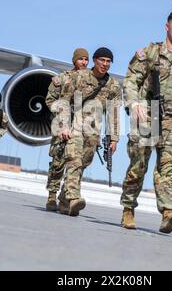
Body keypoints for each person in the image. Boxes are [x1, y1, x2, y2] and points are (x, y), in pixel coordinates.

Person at [120, 10, 172, 233]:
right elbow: (130, 80)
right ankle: (128, 208)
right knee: (139, 166)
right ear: (166, 27)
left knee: (167, 167)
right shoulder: (150, 52)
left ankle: (167, 213)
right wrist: (134, 103)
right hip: (148, 115)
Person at [57, 47, 121, 216]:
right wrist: (63, 125)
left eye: (108, 61)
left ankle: (64, 201)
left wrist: (113, 138)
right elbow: (63, 100)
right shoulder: (79, 77)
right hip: (74, 127)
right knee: (74, 161)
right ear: (94, 60)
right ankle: (74, 198)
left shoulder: (113, 86)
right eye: (102, 60)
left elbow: (113, 114)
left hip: (93, 131)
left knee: (83, 163)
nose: (105, 64)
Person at [45, 48, 89, 211]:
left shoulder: (91, 82)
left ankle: (65, 199)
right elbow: (49, 101)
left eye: (86, 60)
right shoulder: (61, 79)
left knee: (75, 162)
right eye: (81, 59)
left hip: (80, 127)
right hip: (61, 124)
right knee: (58, 161)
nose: (83, 62)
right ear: (74, 60)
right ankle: (51, 195)